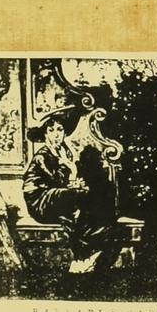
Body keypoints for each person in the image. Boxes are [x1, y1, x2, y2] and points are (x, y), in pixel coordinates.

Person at [22, 105, 121, 275]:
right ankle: (81, 256)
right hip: (40, 198)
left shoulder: (64, 151)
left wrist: (77, 181)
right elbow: (56, 181)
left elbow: (68, 181)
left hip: (59, 194)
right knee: (78, 195)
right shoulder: (42, 156)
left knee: (92, 197)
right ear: (45, 134)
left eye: (59, 130)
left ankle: (88, 250)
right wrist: (73, 176)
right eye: (51, 130)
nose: (56, 134)